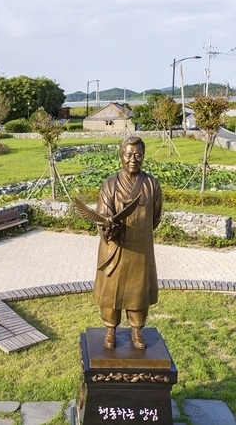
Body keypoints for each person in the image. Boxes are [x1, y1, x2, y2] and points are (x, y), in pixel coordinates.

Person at [94, 136, 162, 350]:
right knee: (110, 293)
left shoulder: (151, 184)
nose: (133, 159)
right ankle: (110, 330)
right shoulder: (110, 184)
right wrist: (108, 227)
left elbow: (156, 217)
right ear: (121, 156)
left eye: (138, 155)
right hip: (115, 248)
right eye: (128, 154)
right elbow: (103, 214)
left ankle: (137, 330)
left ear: (143, 157)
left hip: (141, 250)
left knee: (138, 293)